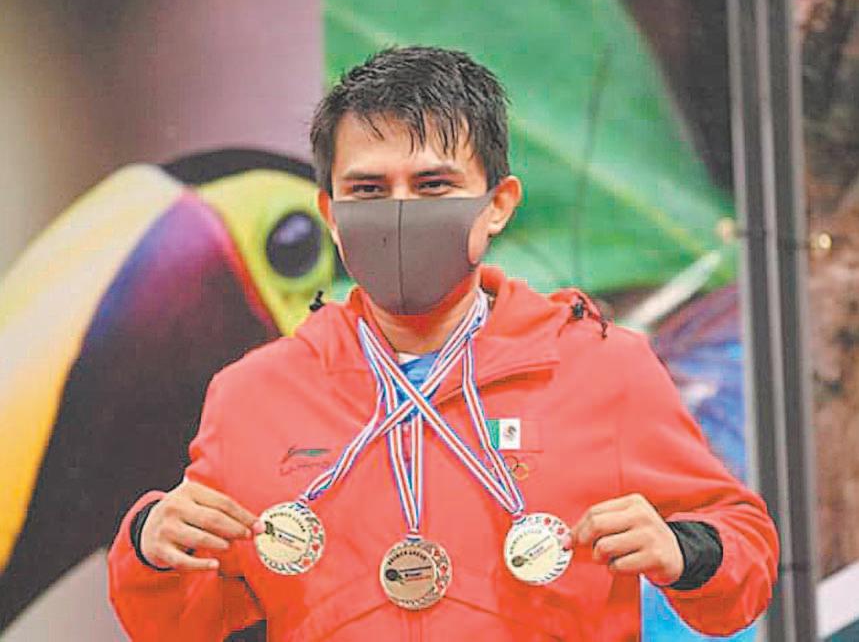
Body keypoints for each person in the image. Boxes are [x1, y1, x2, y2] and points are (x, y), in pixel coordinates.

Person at [108, 46, 778, 641]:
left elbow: (742, 556)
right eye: (368, 189)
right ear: (331, 214)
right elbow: (178, 624)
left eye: (433, 185)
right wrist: (150, 546)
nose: (400, 210)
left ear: (497, 204)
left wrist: (686, 552)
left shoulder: (601, 369)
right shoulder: (255, 394)